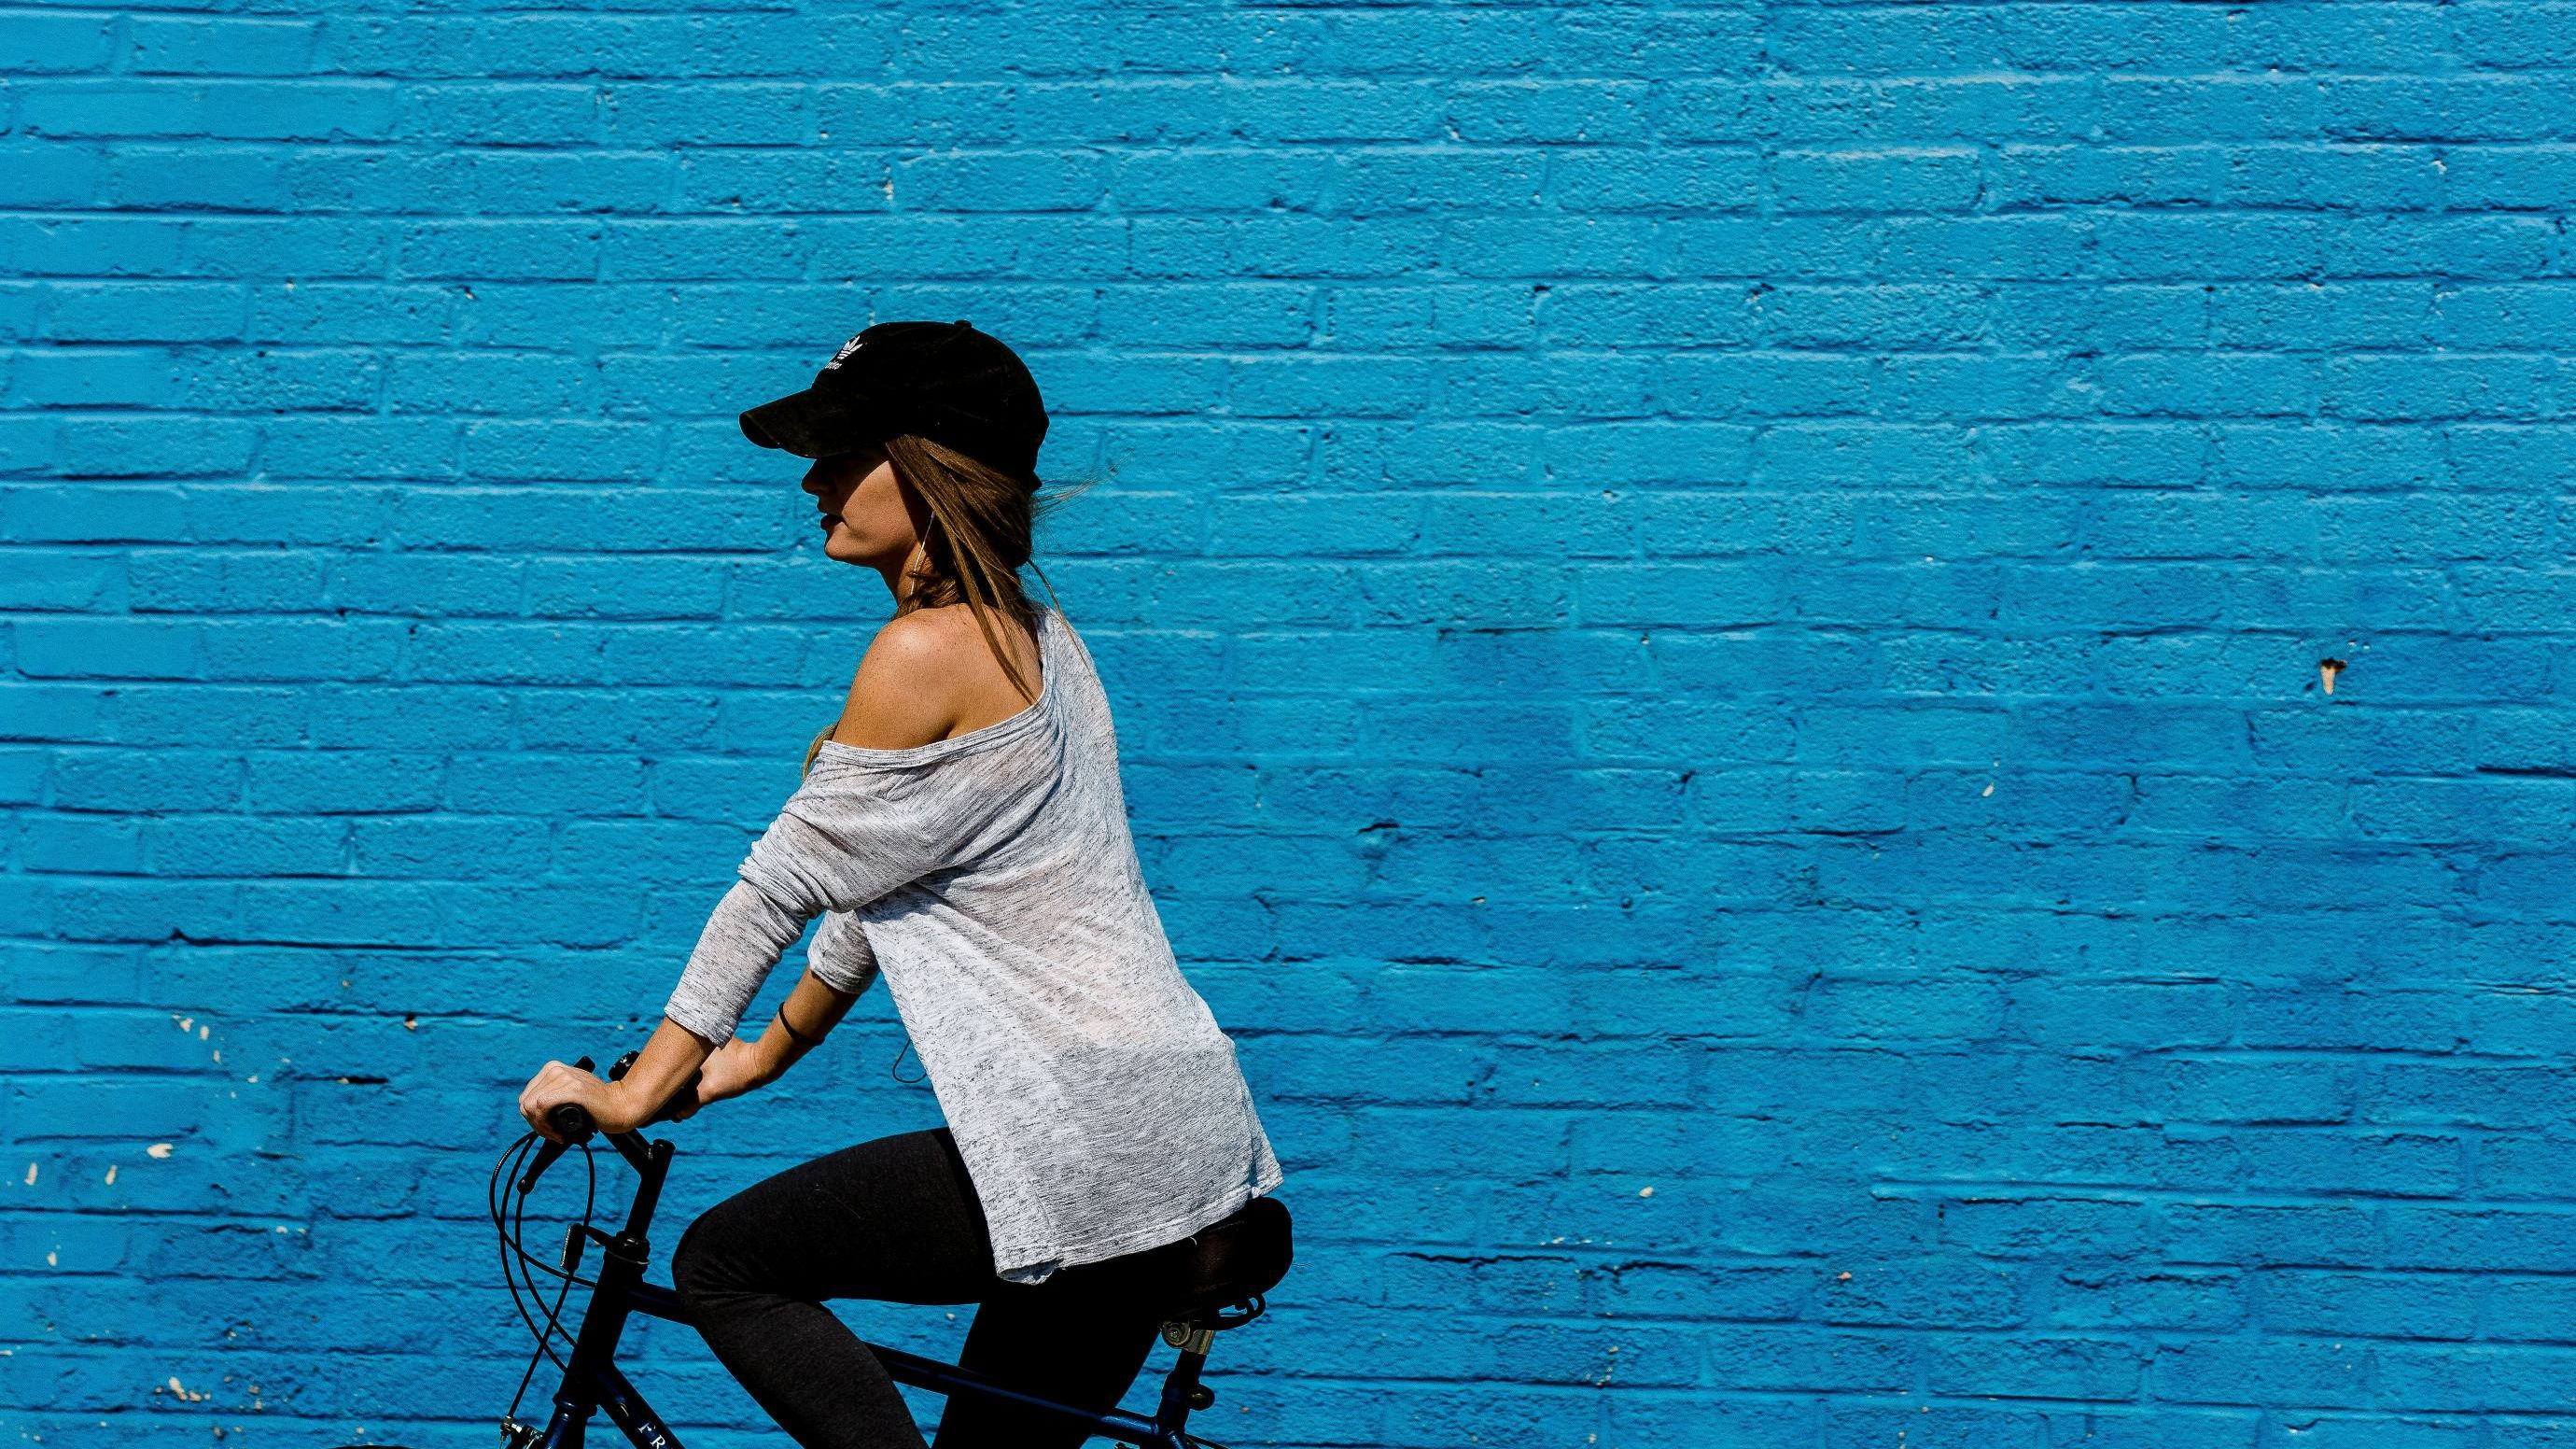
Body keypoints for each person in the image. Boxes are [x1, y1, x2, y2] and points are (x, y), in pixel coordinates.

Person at [513, 320, 1284, 1449]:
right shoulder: (1040, 636)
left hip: (1079, 1141)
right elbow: (886, 889)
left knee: (726, 1263)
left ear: (927, 469)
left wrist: (637, 1093)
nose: (813, 481)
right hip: (1170, 1132)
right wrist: (760, 1057)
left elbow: (778, 888)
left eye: (841, 452)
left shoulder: (926, 652)